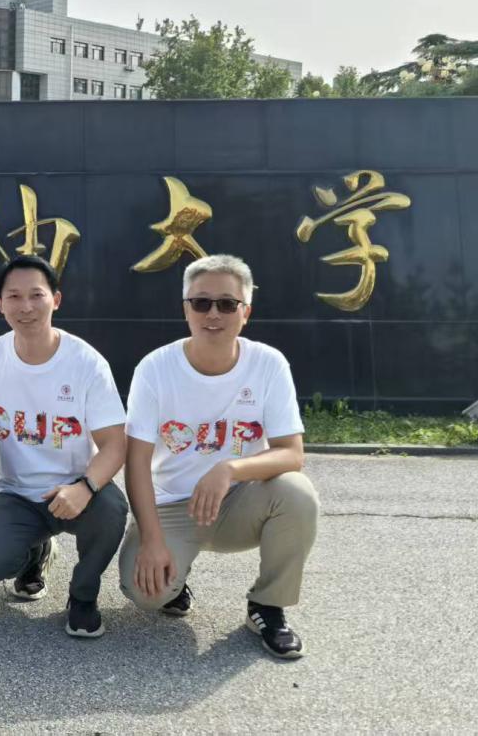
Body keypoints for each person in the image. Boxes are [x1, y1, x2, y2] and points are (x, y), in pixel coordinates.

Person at [118, 254, 320, 660]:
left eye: (227, 304)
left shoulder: (268, 364)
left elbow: (291, 453)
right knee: (147, 595)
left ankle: (267, 606)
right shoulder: (155, 368)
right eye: (201, 303)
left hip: (240, 503)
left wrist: (229, 469)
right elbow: (136, 461)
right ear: (185, 309)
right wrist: (152, 541)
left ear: (246, 312)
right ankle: (176, 578)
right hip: (172, 505)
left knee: (297, 494)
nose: (213, 314)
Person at [0, 255, 129, 638]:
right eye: (14, 296)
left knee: (111, 510)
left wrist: (85, 487)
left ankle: (83, 596)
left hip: (76, 488)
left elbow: (114, 444)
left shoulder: (85, 362)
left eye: (36, 295)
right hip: (18, 494)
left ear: (56, 299)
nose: (25, 307)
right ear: (0, 304)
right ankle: (35, 554)